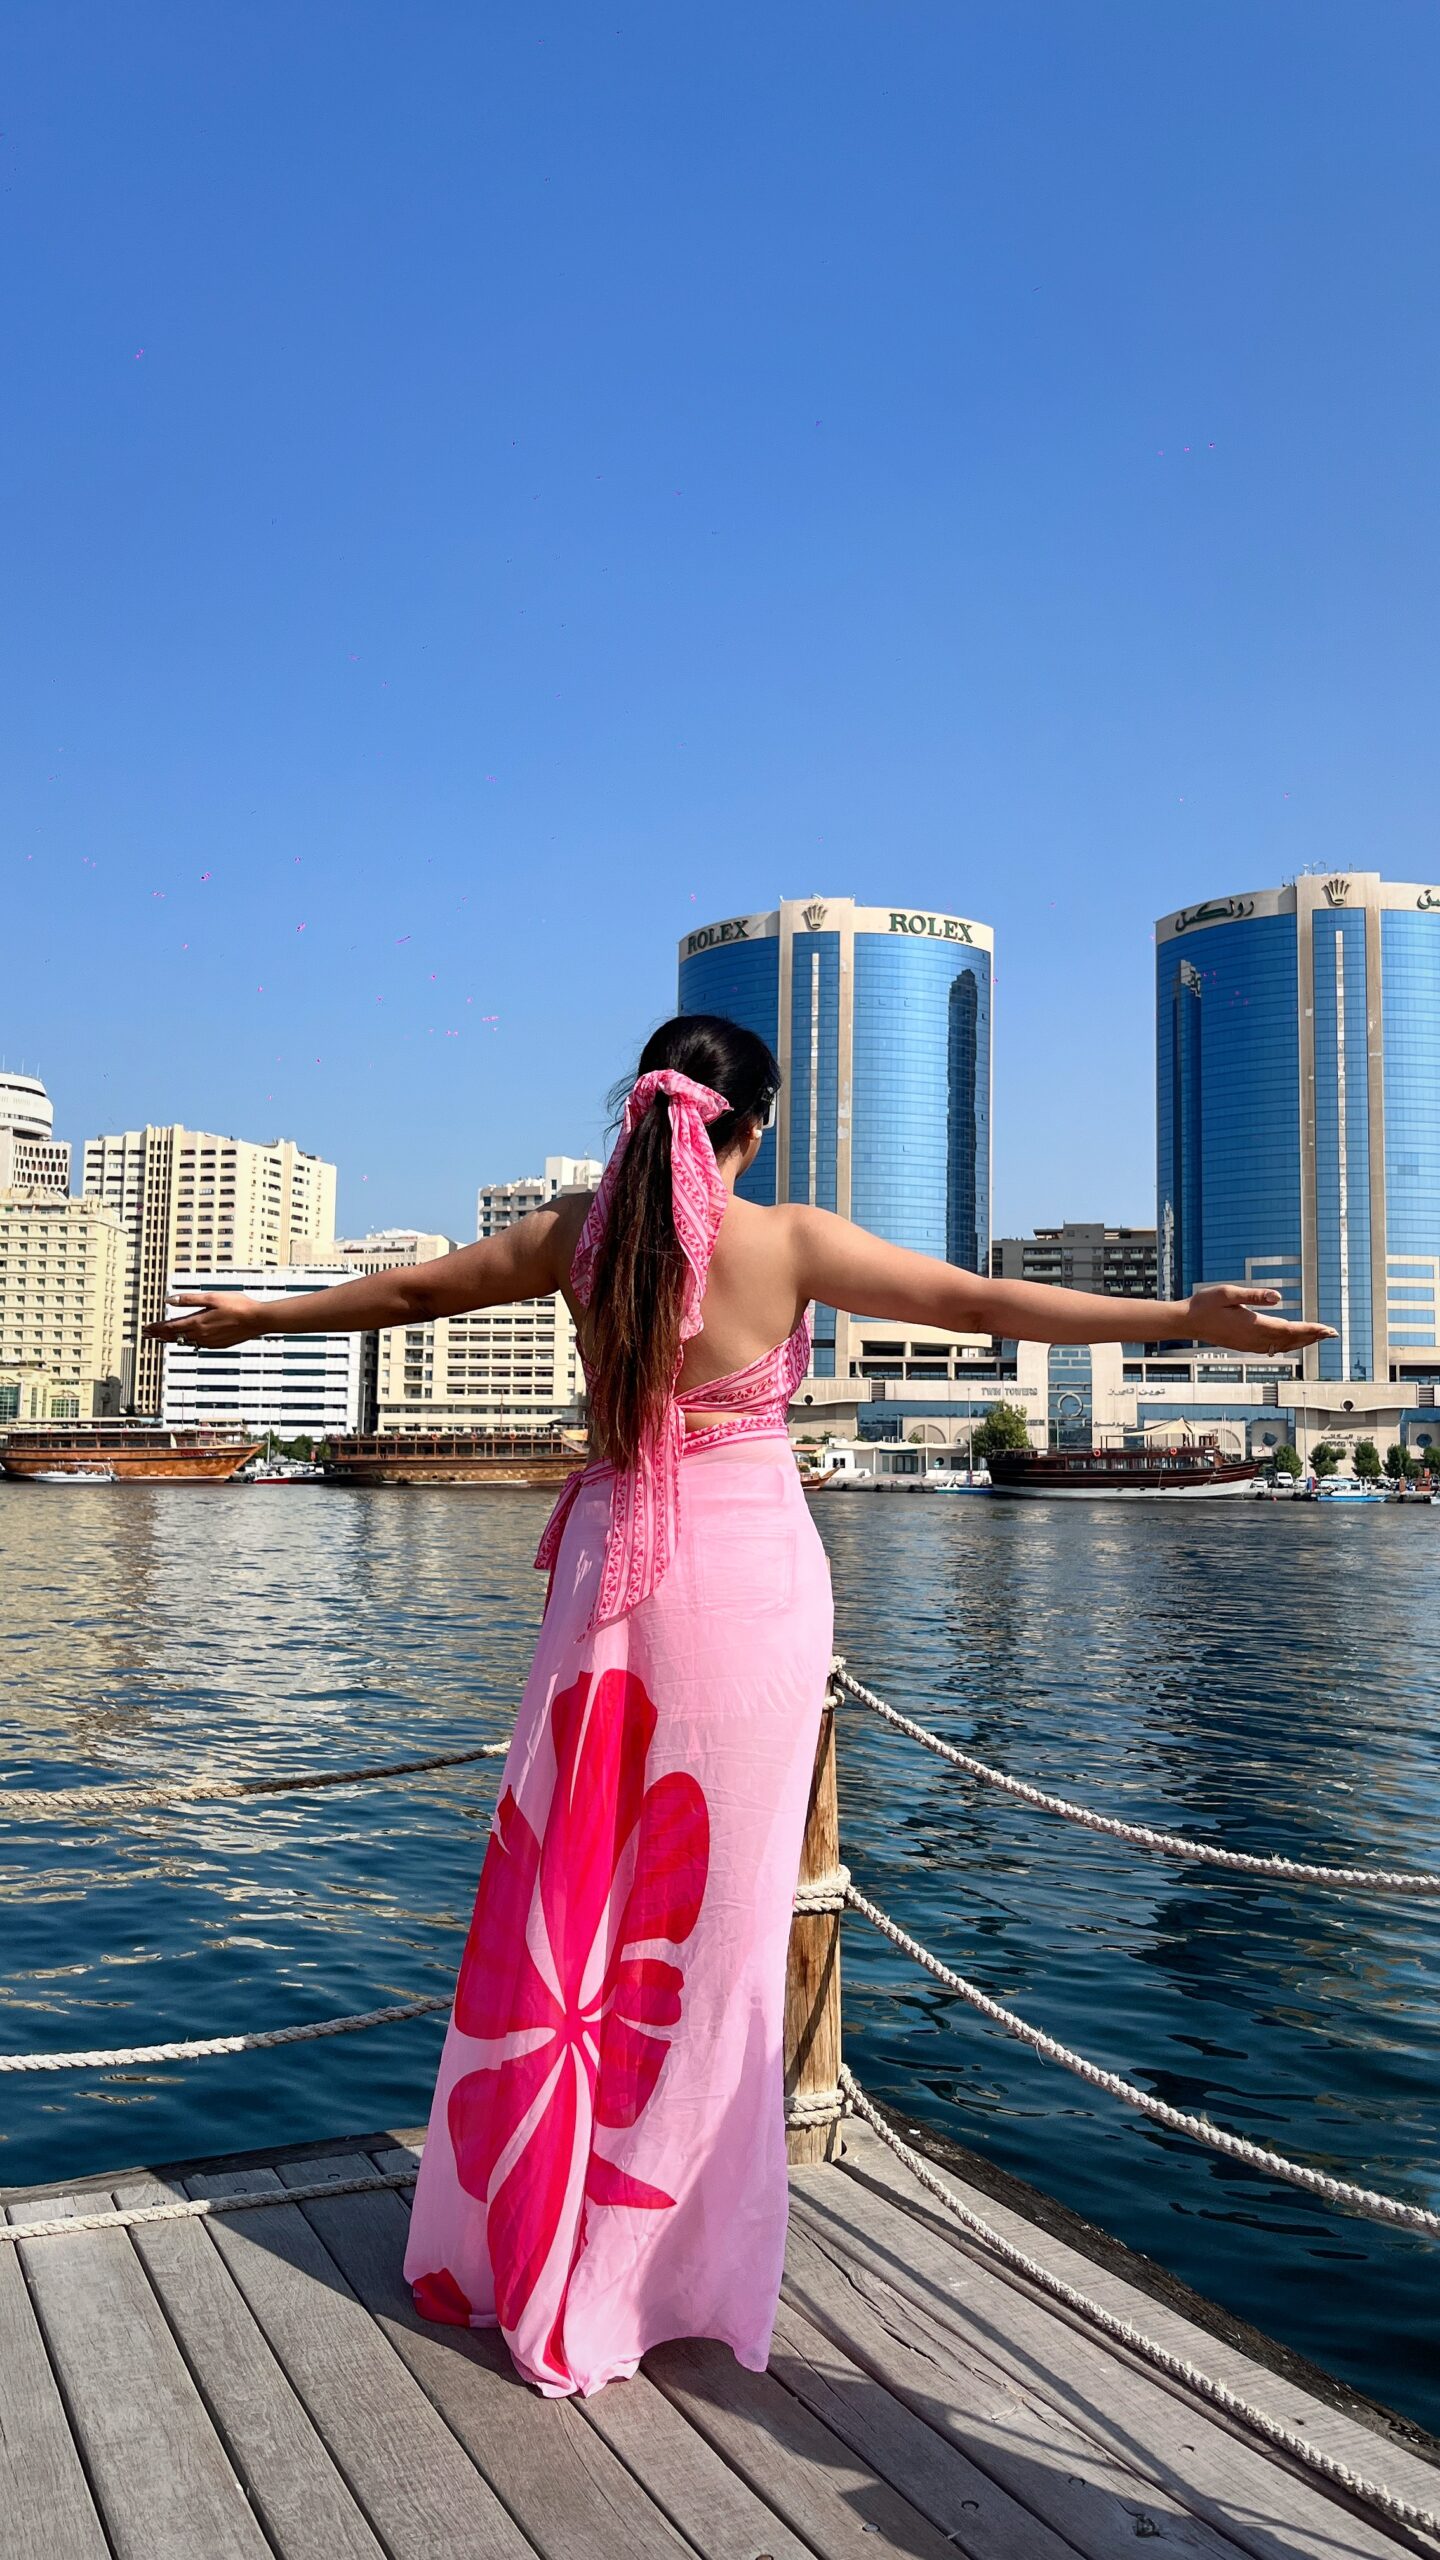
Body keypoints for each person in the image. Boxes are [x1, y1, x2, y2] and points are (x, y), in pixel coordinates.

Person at [146, 1011, 1334, 2396]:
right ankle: (656, 2264)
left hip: (609, 1567)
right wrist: (1182, 1320)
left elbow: (412, 1295)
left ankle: (532, 2227)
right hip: (747, 1577)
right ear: (753, 1128)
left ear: (641, 1116)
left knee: (574, 1891)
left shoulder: (576, 1234)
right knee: (712, 1920)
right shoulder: (792, 1241)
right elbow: (982, 1305)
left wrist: (260, 1318)